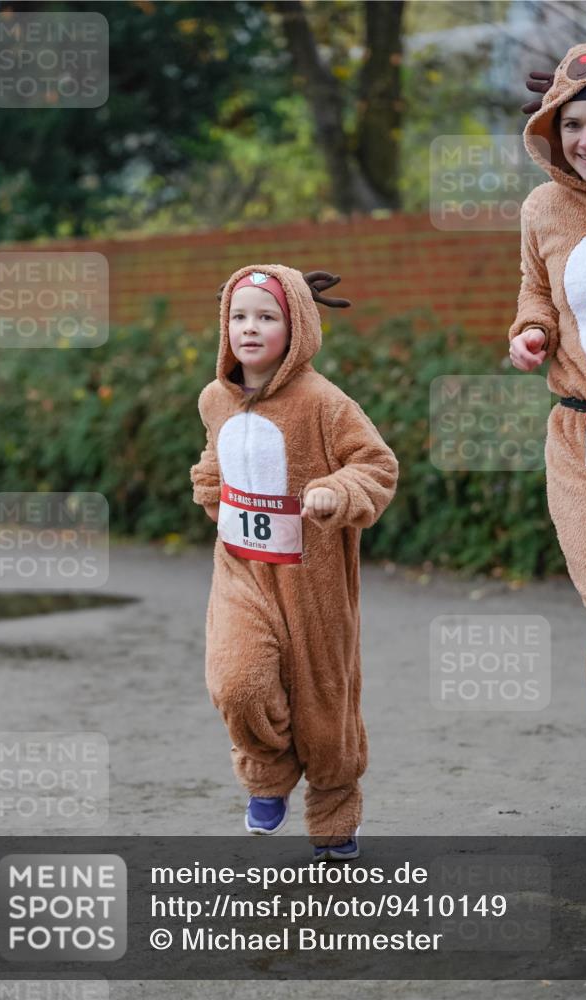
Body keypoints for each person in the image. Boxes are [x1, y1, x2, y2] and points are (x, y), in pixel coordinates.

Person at [190, 265, 398, 860]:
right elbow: (215, 459)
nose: (249, 328)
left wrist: (337, 491)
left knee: (323, 702)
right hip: (240, 567)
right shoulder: (214, 399)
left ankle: (334, 810)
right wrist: (210, 488)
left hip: (313, 578)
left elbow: (377, 465)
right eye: (238, 316)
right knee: (237, 680)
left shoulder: (324, 402)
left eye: (266, 317)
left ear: (298, 326)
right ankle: (267, 773)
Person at [509, 23, 586, 870]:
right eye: (572, 125)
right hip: (583, 439)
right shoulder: (541, 210)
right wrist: (529, 334)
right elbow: (533, 294)